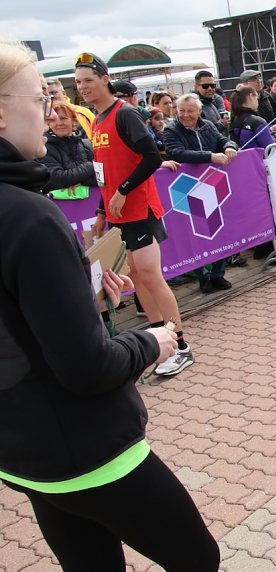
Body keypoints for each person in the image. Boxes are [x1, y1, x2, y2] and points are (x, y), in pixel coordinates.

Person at [0, 38, 219, 571]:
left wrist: (82, 291)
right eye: (40, 98)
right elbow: (86, 367)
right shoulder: (29, 216)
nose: (53, 110)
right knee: (198, 558)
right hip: (87, 448)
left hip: (21, 450)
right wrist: (153, 339)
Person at [74, 52, 194, 377]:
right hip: (119, 215)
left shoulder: (124, 114)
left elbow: (151, 157)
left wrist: (124, 190)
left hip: (140, 208)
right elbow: (104, 172)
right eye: (78, 82)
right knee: (137, 277)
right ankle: (160, 341)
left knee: (151, 275)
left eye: (88, 80)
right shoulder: (97, 121)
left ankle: (181, 346)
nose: (82, 87)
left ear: (104, 79)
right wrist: (102, 210)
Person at [164, 93, 241, 292]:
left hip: (212, 186)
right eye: (182, 111)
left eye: (190, 111)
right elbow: (178, 153)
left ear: (199, 112)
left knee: (217, 231)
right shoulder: (171, 130)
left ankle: (218, 274)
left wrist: (229, 147)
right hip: (186, 187)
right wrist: (210, 156)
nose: (186, 115)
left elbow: (224, 140)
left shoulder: (208, 125)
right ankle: (203, 277)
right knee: (195, 235)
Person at [39, 99, 97, 196]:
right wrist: (92, 165)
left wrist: (78, 181)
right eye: (53, 120)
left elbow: (103, 177)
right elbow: (55, 180)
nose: (59, 123)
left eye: (63, 118)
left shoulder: (87, 145)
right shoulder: (44, 149)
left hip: (90, 205)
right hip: (60, 207)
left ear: (74, 121)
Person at [238, 70, 276, 140]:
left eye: (259, 78)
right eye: (254, 79)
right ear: (246, 84)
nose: (259, 81)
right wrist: (270, 129)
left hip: (275, 136)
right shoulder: (241, 102)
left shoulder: (267, 96)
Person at [229, 84, 276, 150]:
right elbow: (271, 148)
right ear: (251, 96)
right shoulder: (257, 122)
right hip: (258, 159)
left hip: (242, 158)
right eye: (257, 98)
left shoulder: (234, 119)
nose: (258, 102)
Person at [193, 70, 229, 135]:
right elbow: (201, 132)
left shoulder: (214, 100)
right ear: (196, 87)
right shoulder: (193, 105)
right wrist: (221, 125)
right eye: (205, 86)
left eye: (212, 86)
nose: (210, 88)